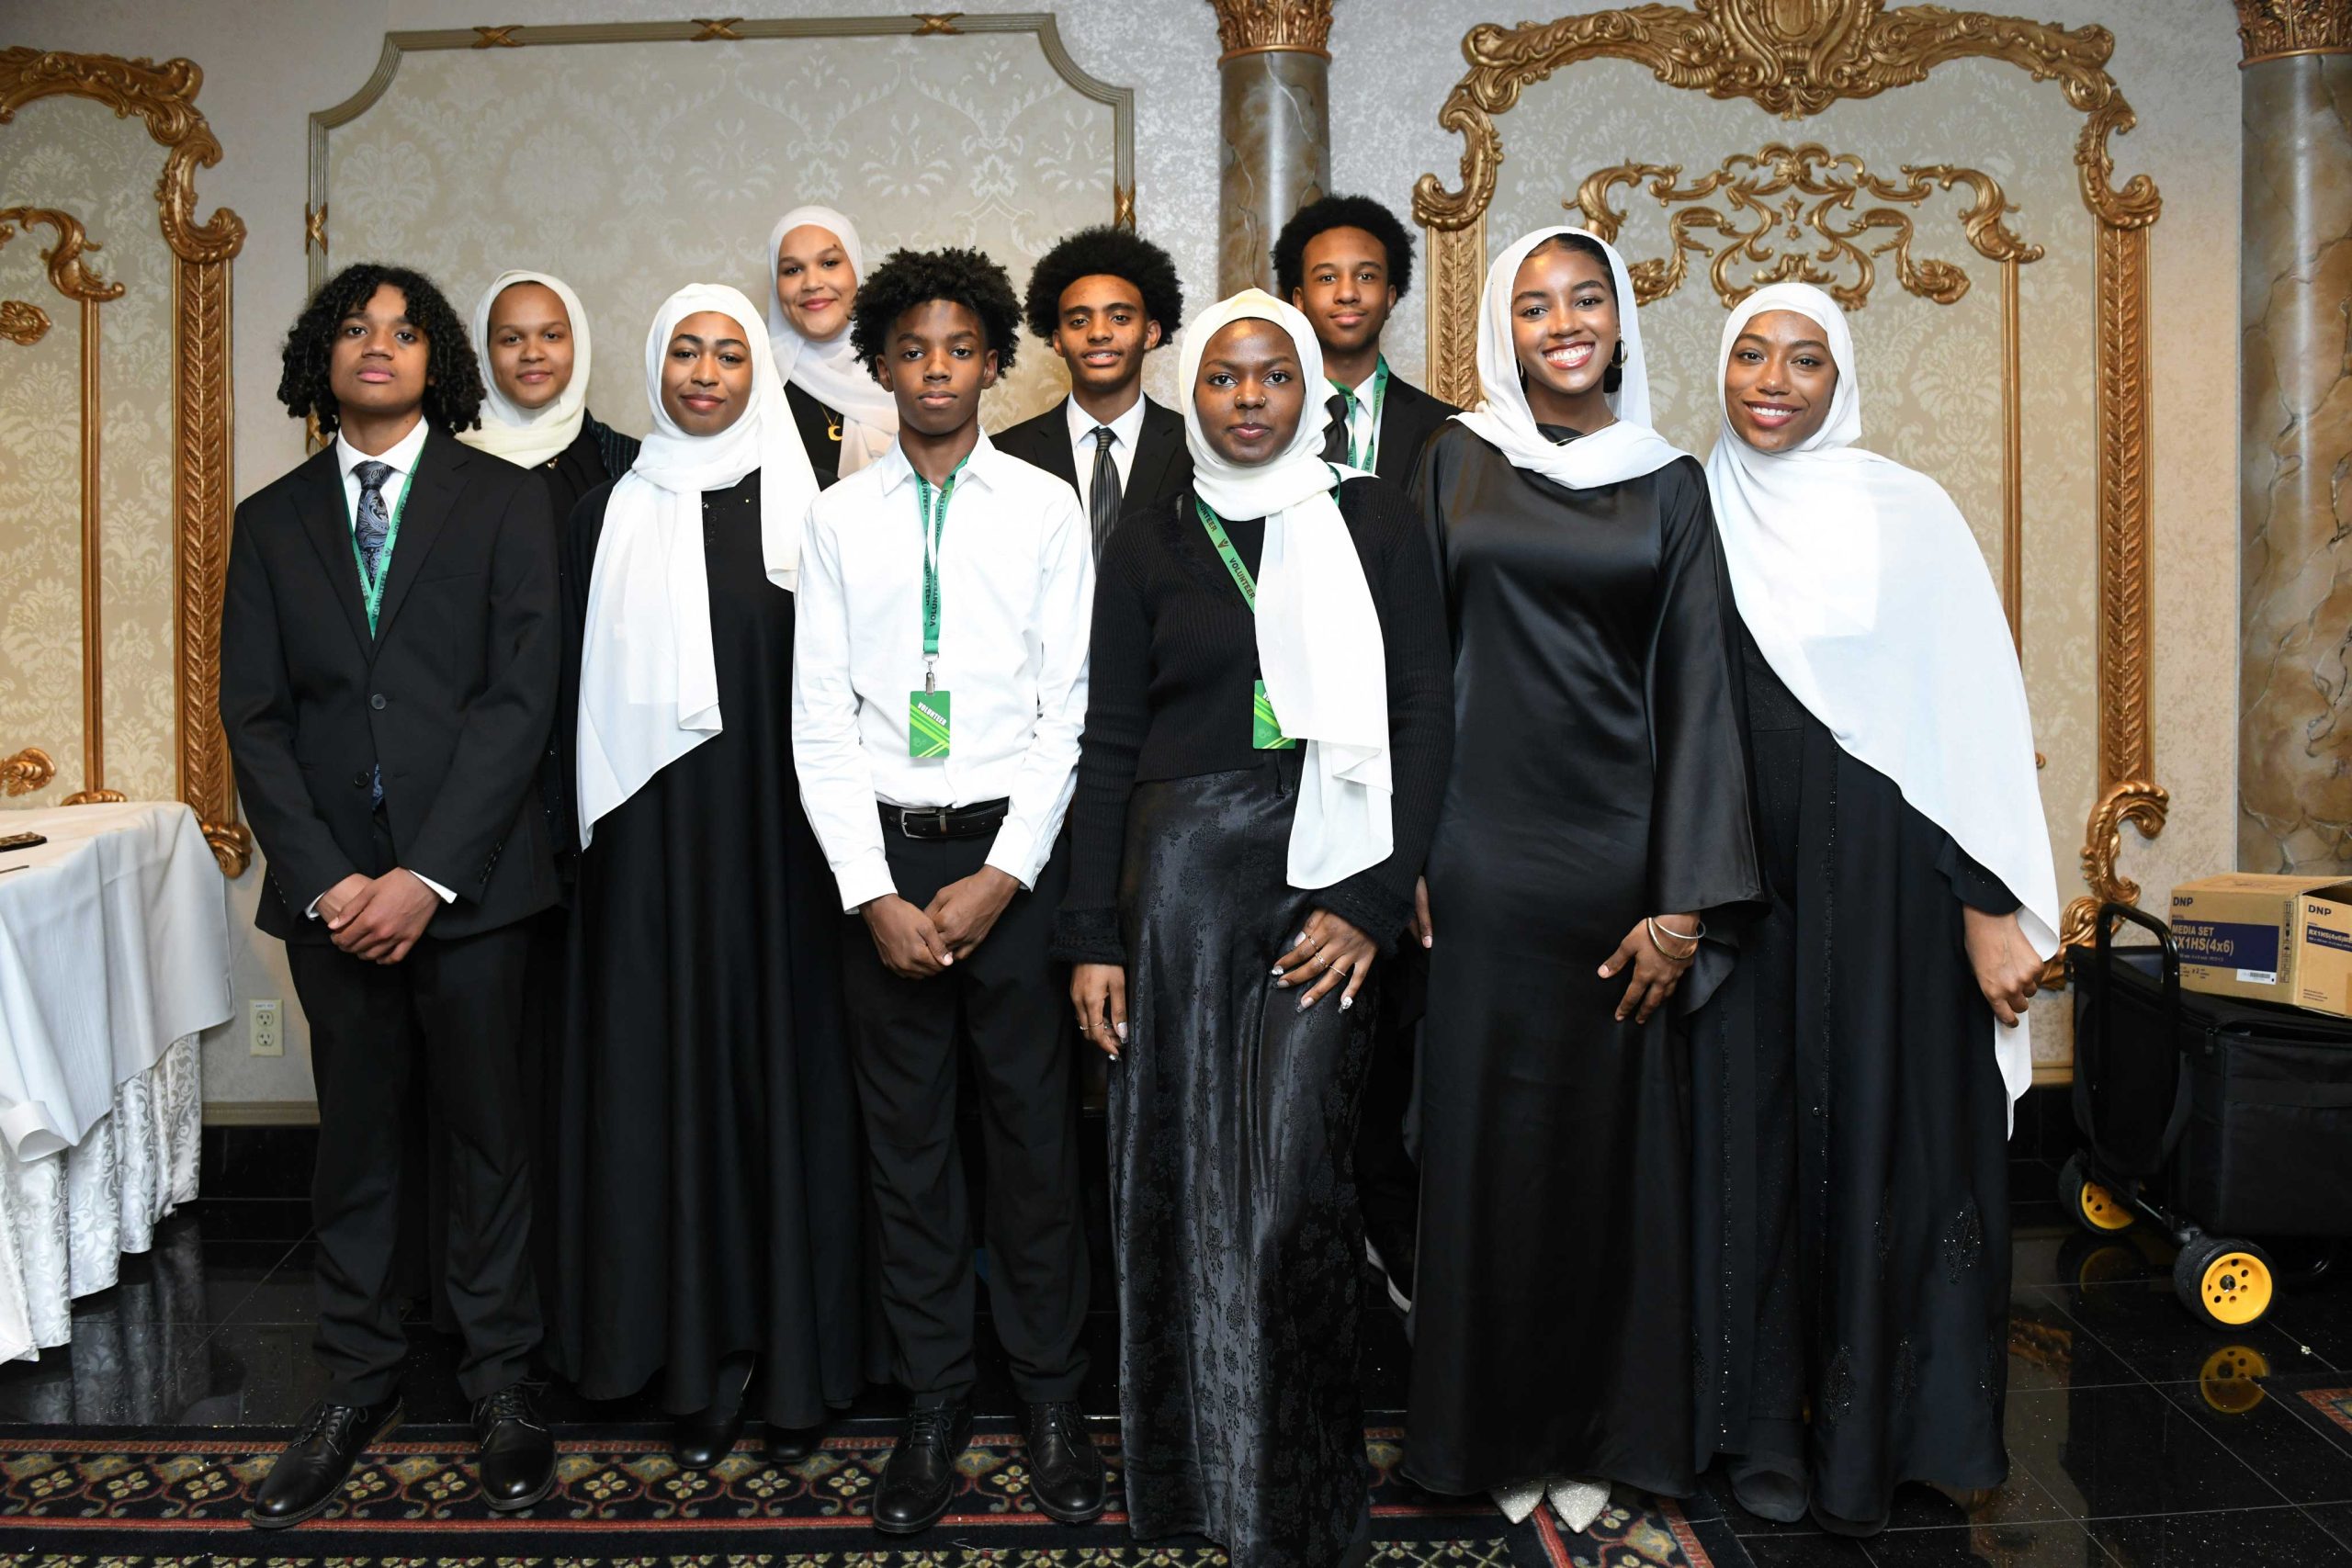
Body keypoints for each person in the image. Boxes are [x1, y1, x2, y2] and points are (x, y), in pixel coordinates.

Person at [1056, 288, 1453, 1568]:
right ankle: (1190, 1484)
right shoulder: (1154, 528)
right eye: (1223, 377)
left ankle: (1290, 1500)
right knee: (1180, 1184)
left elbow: (1424, 718)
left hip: (1329, 876)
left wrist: (1376, 902)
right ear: (1200, 388)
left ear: (1307, 392)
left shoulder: (1374, 517)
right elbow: (1105, 735)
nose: (1245, 399)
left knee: (1289, 1193)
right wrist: (1090, 933)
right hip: (1177, 892)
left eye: (1272, 377)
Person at [1402, 228, 1763, 1526]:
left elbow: (1701, 692)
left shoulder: (1671, 483)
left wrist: (1683, 898)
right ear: (1506, 323)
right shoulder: (1456, 458)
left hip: (1622, 866)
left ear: (1619, 319)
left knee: (1612, 1156)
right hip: (1481, 854)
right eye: (1539, 303)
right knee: (1485, 1150)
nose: (1566, 322)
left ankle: (1604, 1421)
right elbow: (1416, 667)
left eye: (1588, 300)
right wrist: (1412, 851)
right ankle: (1490, 1432)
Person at [1689, 282, 2057, 1536]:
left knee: (1885, 1136)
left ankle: (1885, 1434)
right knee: (1750, 1158)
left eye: (1803, 359)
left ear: (1840, 380)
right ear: (1720, 367)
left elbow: (1972, 722)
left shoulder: (1912, 515)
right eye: (1751, 352)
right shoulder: (1689, 506)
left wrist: (1990, 905)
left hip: (1894, 892)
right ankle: (1761, 1437)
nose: (1774, 379)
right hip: (1742, 891)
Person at [220, 262, 559, 1527]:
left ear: (437, 361)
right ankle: (355, 1379)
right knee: (356, 1145)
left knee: (486, 1141)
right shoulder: (270, 517)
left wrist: (426, 873)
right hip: (330, 899)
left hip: (470, 891)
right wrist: (330, 880)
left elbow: (522, 701)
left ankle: (503, 1382)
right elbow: (253, 718)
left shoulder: (506, 503)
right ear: (324, 356)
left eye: (404, 330)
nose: (378, 346)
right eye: (355, 329)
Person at [790, 246, 1102, 1536]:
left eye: (958, 348)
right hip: (886, 868)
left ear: (992, 362)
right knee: (909, 1152)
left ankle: (1049, 1398)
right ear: (880, 366)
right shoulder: (836, 518)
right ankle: (931, 1403)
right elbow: (817, 723)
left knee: (1033, 1148)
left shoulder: (1041, 509)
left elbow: (1066, 712)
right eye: (910, 349)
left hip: (1006, 864)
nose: (934, 369)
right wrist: (874, 892)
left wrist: (1003, 877)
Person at [547, 284, 862, 1469]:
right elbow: (567, 704)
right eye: (686, 349)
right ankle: (666, 1352)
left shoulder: (813, 510)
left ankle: (783, 1352)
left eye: (731, 353)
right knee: (657, 1081)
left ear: (757, 375)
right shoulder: (601, 513)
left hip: (782, 856)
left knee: (769, 1081)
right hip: (644, 859)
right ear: (656, 364)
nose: (707, 371)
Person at [1272, 192, 1462, 1307]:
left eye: (1365, 276)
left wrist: (1421, 837)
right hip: (1284, 772)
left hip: (1410, 759)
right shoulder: (1247, 425)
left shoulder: (1450, 438)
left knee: (1395, 1063)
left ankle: (1408, 1293)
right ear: (1295, 292)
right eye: (1323, 276)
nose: (1344, 294)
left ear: (1393, 291)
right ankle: (1312, 1284)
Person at [993, 225, 1193, 558]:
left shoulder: (1196, 448)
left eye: (1119, 317)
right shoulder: (1005, 454)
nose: (1099, 333)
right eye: (1079, 321)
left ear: (1151, 333)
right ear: (1057, 340)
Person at [461, 270, 639, 516]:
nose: (532, 353)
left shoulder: (629, 464)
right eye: (512, 339)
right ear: (484, 350)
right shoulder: (445, 462)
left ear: (577, 343)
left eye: (551, 336)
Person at [767, 204, 899, 486]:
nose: (812, 283)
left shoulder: (903, 372)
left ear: (856, 270)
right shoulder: (757, 388)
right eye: (792, 270)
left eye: (829, 263)